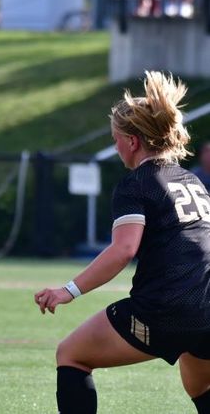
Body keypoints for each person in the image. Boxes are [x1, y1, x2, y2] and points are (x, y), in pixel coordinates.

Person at [34, 71, 210, 413]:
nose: (115, 146)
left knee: (71, 354)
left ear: (131, 141)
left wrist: (66, 291)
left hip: (165, 309)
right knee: (200, 383)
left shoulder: (137, 184)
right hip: (207, 305)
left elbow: (123, 250)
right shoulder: (192, 181)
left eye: (116, 138)